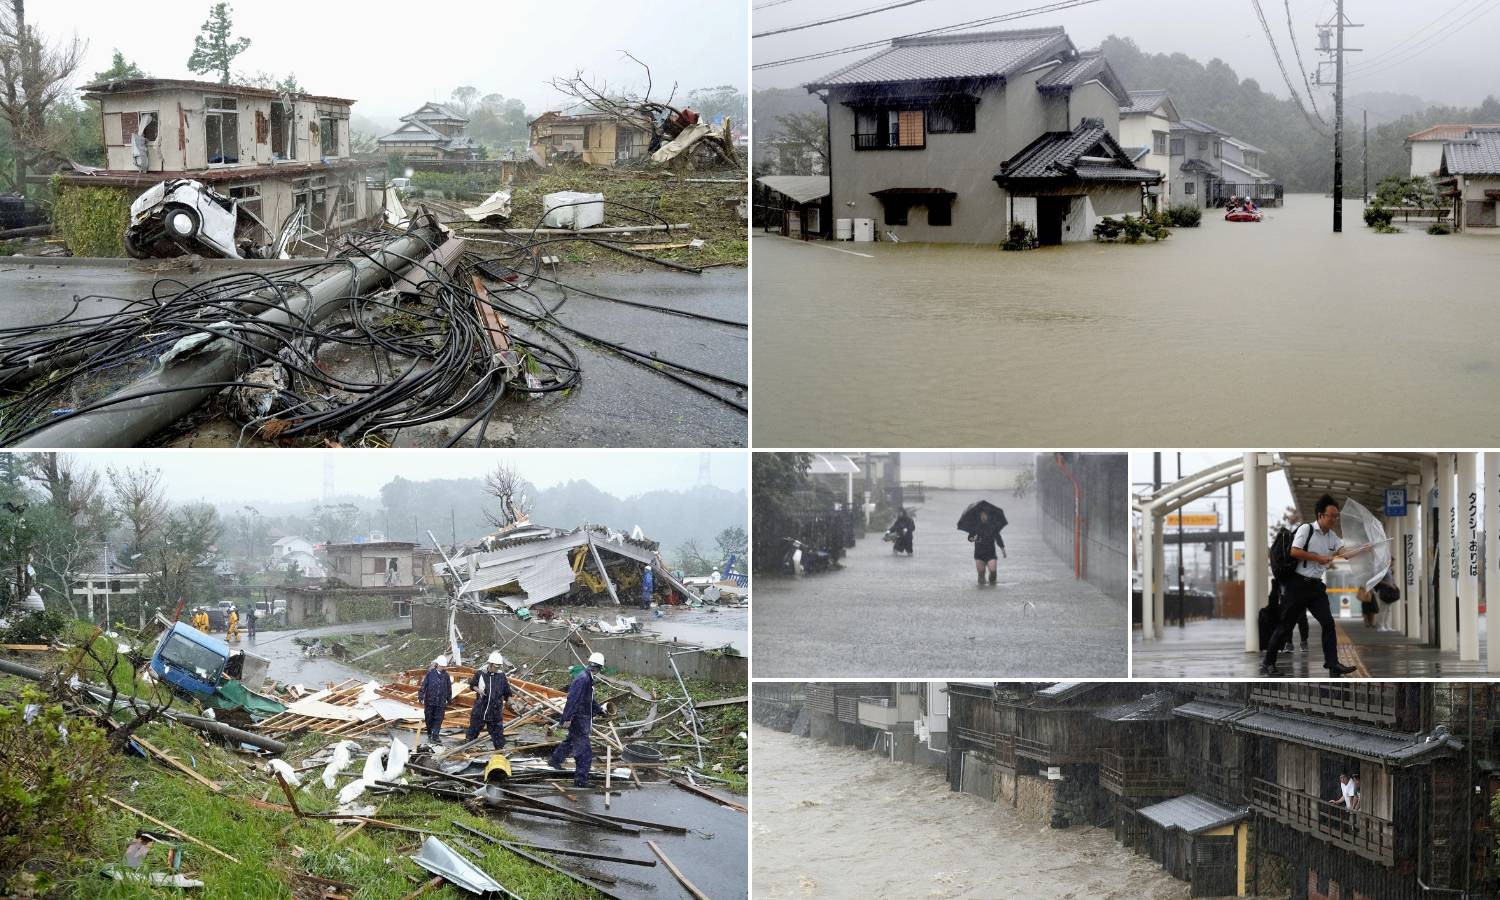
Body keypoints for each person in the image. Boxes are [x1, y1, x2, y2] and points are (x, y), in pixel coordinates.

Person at [1262, 494, 1368, 677]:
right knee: (1286, 626)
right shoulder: (1306, 529)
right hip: (1297, 586)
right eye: (1331, 515)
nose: (1334, 519)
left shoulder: (1332, 536)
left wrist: (1364, 548)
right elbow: (1294, 551)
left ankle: (1333, 663)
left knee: (1328, 623)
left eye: (1336, 516)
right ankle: (1268, 663)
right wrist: (1318, 558)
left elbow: (1346, 554)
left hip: (1316, 588)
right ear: (1320, 515)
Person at [550, 652, 609, 787]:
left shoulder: (587, 678)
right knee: (584, 753)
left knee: (570, 742)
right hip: (579, 720)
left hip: (581, 719)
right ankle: (581, 781)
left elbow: (589, 699)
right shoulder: (583, 679)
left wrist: (599, 710)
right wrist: (568, 718)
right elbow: (572, 699)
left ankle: (555, 760)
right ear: (598, 667)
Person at [466, 651, 516, 750]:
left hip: (495, 712)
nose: (497, 669)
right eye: (495, 667)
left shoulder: (501, 676)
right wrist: (478, 690)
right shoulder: (481, 673)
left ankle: (499, 753)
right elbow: (472, 685)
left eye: (499, 667)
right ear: (490, 664)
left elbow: (507, 693)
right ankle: (468, 749)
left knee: (498, 737)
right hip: (480, 710)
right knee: (472, 733)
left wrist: (512, 703)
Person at [417, 655, 452, 746]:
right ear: (437, 665)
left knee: (438, 719)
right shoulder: (430, 674)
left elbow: (449, 688)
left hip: (441, 702)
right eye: (441, 666)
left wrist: (449, 698)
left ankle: (435, 736)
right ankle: (429, 733)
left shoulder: (446, 676)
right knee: (429, 719)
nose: (443, 668)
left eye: (444, 666)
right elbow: (424, 686)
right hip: (430, 701)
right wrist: (421, 696)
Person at [967, 509, 1007, 586]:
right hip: (979, 554)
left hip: (991, 553)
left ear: (988, 516)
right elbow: (969, 537)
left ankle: (992, 584)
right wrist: (972, 539)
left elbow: (998, 538)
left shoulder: (992, 526)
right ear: (980, 516)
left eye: (985, 515)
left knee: (993, 571)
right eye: (982, 515)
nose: (984, 516)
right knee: (981, 573)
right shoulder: (976, 526)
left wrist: (1003, 551)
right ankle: (981, 588)